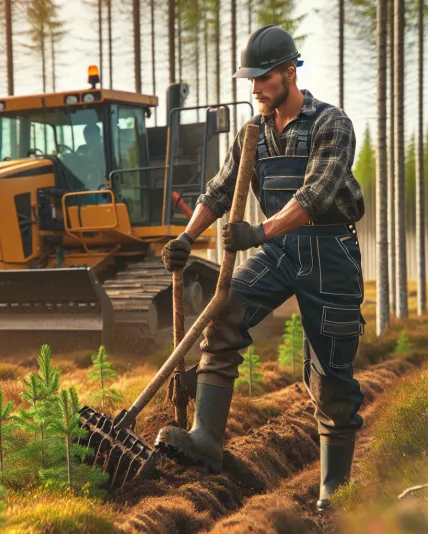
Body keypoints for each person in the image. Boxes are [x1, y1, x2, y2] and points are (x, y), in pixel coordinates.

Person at [156, 24, 366, 511]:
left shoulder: (330, 124)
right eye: (250, 80)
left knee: (330, 378)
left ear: (289, 73)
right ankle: (206, 438)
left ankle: (334, 495)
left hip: (328, 252)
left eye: (262, 79)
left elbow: (314, 196)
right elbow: (220, 189)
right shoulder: (254, 133)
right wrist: (186, 239)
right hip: (278, 252)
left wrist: (259, 233)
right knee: (222, 311)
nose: (254, 89)